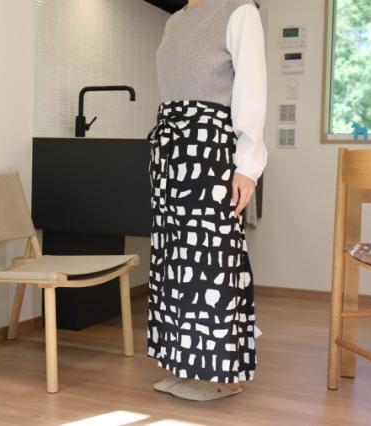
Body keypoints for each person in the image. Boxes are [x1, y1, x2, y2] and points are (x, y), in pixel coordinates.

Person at [146, 0, 267, 401]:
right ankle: (182, 365)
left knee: (212, 260)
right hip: (170, 151)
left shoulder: (238, 11)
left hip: (210, 149)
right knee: (173, 261)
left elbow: (252, 89)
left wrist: (248, 166)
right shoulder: (175, 21)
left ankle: (221, 371)